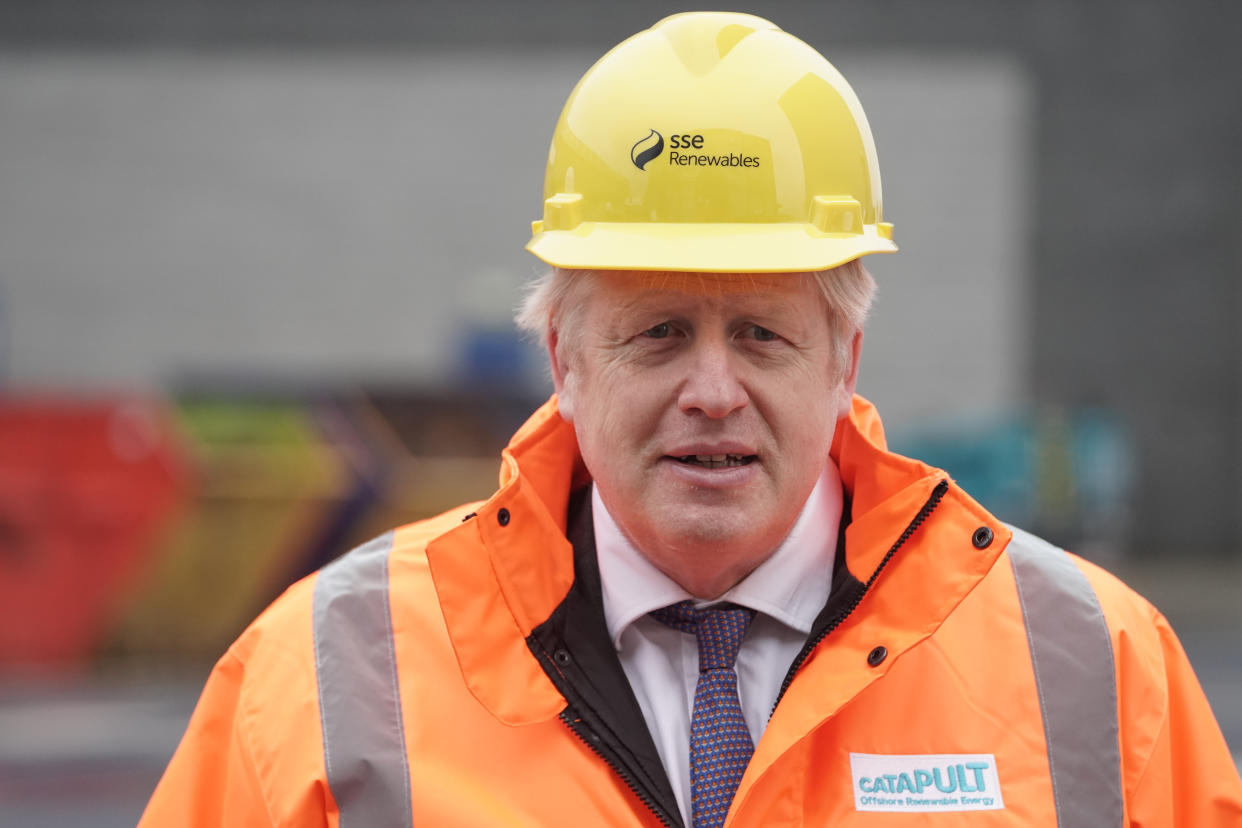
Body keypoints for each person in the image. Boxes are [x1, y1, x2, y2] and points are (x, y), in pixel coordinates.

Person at [141, 12, 1242, 826]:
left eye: (762, 334)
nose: (712, 390)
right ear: (564, 359)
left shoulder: (1095, 669)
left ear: (845, 357)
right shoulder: (324, 677)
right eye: (659, 332)